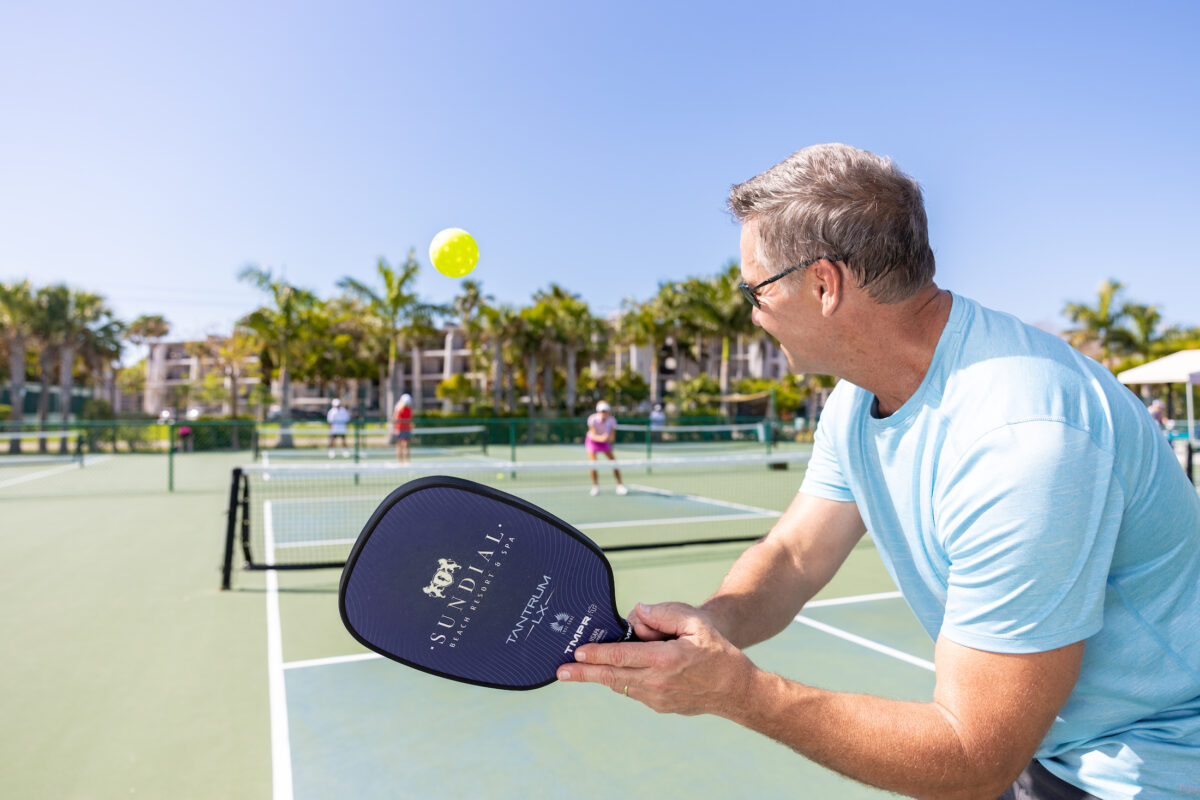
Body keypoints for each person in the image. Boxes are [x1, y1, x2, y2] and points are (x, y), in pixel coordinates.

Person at [557, 144, 1200, 799]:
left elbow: (973, 761)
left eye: (755, 289)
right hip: (1050, 749)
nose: (752, 311)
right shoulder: (856, 398)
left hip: (1149, 767)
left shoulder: (1022, 443)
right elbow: (795, 555)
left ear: (823, 285)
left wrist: (738, 692)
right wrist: (707, 625)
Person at [585, 400, 627, 496]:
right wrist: (602, 438)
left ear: (608, 411)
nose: (603, 413)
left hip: (604, 442)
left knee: (614, 463)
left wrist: (607, 437)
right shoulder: (592, 419)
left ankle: (620, 485)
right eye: (601, 411)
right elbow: (593, 435)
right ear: (598, 411)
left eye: (605, 411)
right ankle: (595, 486)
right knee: (593, 464)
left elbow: (612, 438)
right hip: (592, 441)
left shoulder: (612, 420)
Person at [392, 394, 413, 463]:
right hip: (406, 429)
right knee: (405, 446)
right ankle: (407, 461)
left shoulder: (400, 409)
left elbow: (396, 418)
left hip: (400, 429)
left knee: (399, 446)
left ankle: (400, 462)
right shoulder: (409, 409)